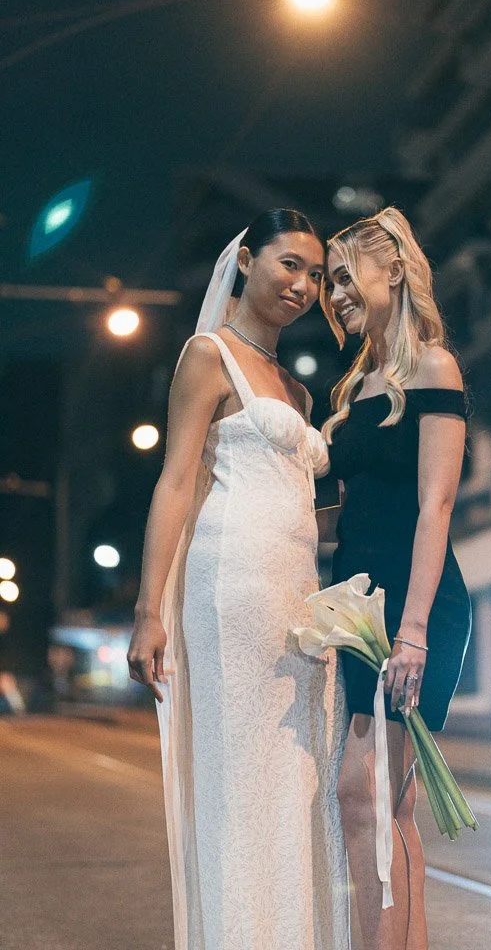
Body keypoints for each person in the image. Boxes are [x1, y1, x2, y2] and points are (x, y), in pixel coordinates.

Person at [127, 209, 350, 950]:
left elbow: (305, 506)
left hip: (298, 595)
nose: (303, 284)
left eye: (315, 274)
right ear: (248, 262)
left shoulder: (298, 389)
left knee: (294, 783)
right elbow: (175, 482)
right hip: (231, 585)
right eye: (289, 264)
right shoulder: (207, 354)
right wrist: (146, 611)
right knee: (238, 784)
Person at [320, 207, 471, 950]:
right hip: (356, 608)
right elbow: (343, 515)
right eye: (328, 282)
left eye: (344, 278)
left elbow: (433, 505)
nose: (334, 295)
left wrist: (410, 635)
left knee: (363, 795)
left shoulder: (432, 368)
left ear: (396, 272)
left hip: (413, 610)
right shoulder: (354, 388)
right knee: (386, 805)